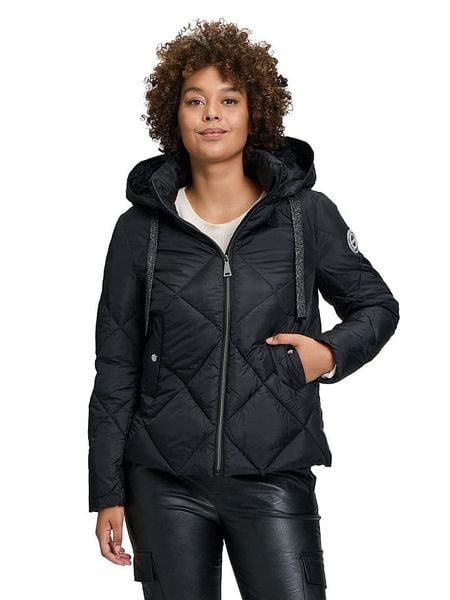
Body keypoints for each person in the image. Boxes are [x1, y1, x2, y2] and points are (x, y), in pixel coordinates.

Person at [87, 18, 400, 600]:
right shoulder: (139, 230)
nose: (212, 114)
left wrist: (328, 354)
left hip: (274, 473)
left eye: (229, 100)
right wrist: (106, 490)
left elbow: (376, 306)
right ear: (173, 115)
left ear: (255, 112)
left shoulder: (306, 215)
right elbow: (116, 366)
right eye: (195, 100)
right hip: (162, 482)